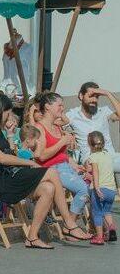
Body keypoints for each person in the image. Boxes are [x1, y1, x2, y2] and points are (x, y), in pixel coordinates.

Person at [0, 94, 90, 249]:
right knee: (52, 173)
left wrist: (9, 134)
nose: (9, 116)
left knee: (49, 188)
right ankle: (69, 223)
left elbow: (7, 152)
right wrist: (28, 162)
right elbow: (1, 158)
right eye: (8, 112)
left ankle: (32, 237)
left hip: (11, 175)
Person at [32, 92, 90, 223]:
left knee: (90, 184)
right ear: (47, 106)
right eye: (59, 105)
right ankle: (70, 225)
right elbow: (41, 156)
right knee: (83, 189)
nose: (62, 108)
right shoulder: (39, 128)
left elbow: (61, 154)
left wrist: (73, 164)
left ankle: (77, 225)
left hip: (65, 167)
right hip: (51, 170)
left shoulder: (57, 126)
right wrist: (62, 142)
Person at [67, 82, 120, 171]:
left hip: (110, 156)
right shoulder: (72, 115)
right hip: (90, 160)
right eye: (91, 96)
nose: (94, 100)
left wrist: (107, 93)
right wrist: (67, 134)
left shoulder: (104, 111)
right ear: (81, 96)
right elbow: (55, 124)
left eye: (97, 96)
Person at [86, 131, 117, 244]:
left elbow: (95, 172)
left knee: (97, 212)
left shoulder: (93, 157)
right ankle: (111, 227)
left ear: (90, 144)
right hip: (111, 190)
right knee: (107, 211)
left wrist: (97, 188)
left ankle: (99, 237)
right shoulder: (107, 155)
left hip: (100, 189)